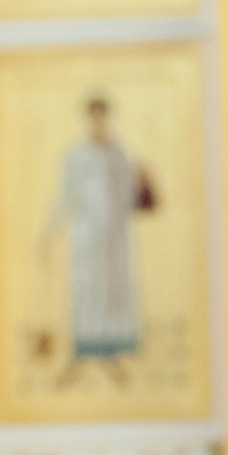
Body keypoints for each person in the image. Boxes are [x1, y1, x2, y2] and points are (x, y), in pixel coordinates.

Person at [43, 95, 152, 360]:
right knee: (88, 289)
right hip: (87, 238)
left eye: (103, 117)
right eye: (94, 118)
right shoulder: (76, 155)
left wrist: (141, 182)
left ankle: (116, 348)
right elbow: (66, 196)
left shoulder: (119, 153)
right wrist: (50, 232)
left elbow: (130, 196)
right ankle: (88, 348)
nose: (98, 123)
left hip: (116, 239)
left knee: (117, 291)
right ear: (87, 120)